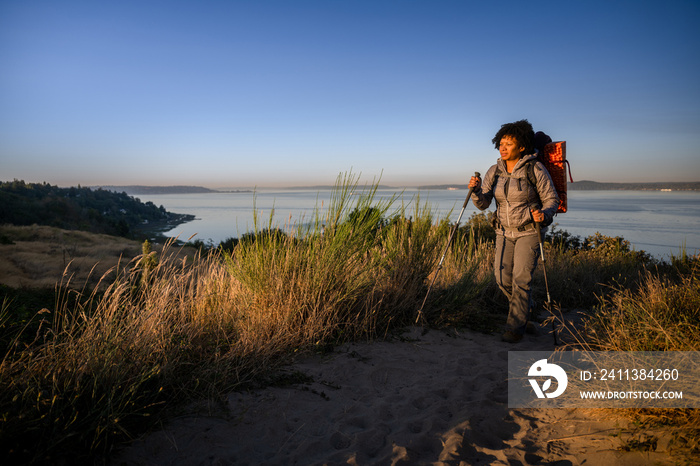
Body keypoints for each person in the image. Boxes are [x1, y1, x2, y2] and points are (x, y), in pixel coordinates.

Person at [469, 120, 559, 343]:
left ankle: (515, 328)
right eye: (501, 143)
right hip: (503, 232)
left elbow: (551, 199)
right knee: (501, 279)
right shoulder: (495, 170)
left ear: (521, 147)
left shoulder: (534, 168)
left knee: (521, 280)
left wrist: (544, 214)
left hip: (529, 232)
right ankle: (526, 310)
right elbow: (483, 204)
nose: (503, 147)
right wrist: (476, 191)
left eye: (509, 143)